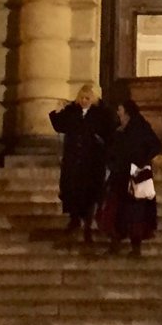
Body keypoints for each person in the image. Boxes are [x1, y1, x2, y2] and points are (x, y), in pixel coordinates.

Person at [99, 94, 162, 255]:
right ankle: (115, 242)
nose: (117, 112)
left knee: (136, 212)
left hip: (137, 174)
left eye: (119, 109)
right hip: (119, 175)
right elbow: (112, 149)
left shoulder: (140, 127)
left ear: (127, 111)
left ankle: (135, 246)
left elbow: (155, 145)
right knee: (115, 209)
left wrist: (142, 161)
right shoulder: (119, 129)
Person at [49, 83, 109, 243]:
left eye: (87, 98)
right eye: (82, 98)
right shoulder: (72, 112)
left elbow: (108, 133)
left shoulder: (99, 114)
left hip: (92, 161)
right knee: (73, 190)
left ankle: (88, 224)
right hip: (74, 160)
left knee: (90, 193)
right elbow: (59, 125)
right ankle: (74, 219)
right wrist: (57, 111)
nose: (84, 101)